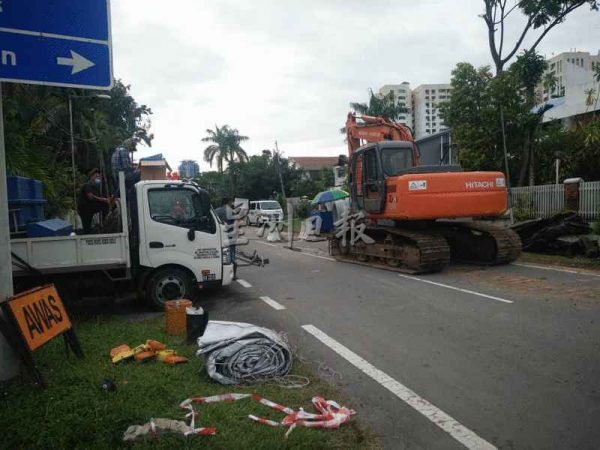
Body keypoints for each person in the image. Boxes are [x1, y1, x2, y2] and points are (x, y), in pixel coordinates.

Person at [78, 168, 113, 234]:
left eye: (99, 177)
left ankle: (105, 221)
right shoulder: (88, 185)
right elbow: (91, 197)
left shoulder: (95, 187)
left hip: (90, 209)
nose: (98, 178)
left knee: (104, 205)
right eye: (96, 176)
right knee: (86, 227)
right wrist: (103, 199)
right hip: (85, 209)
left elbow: (98, 197)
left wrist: (107, 199)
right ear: (91, 177)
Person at [215, 197, 238, 278]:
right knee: (232, 255)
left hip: (220, 237)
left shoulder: (216, 211)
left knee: (221, 255)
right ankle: (233, 275)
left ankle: (220, 274)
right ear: (227, 203)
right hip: (231, 236)